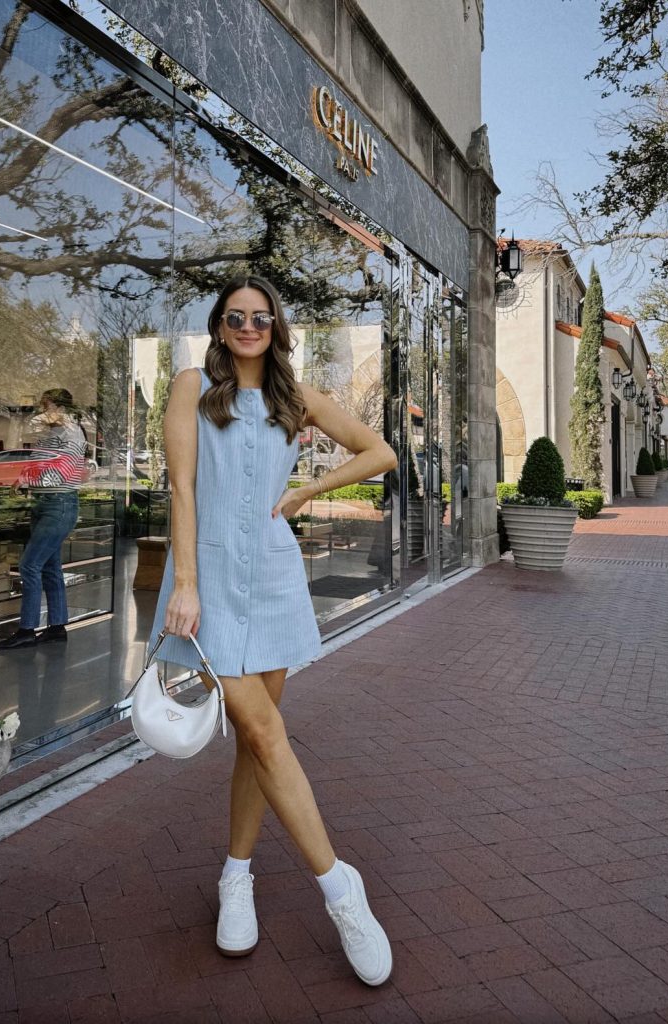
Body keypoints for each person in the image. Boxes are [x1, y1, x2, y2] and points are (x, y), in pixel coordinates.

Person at [151, 275, 397, 985]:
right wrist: (188, 585)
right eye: (236, 316)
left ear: (275, 326)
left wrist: (305, 492)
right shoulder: (191, 384)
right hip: (209, 585)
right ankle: (340, 891)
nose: (249, 326)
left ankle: (236, 876)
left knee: (258, 744)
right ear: (220, 325)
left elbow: (379, 452)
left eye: (261, 317)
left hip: (274, 577)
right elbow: (182, 487)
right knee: (260, 733)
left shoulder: (297, 398)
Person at [0, 388, 86, 650]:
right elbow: (37, 463)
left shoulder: (72, 433)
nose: (42, 412)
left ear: (60, 407)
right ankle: (57, 627)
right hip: (42, 502)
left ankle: (27, 629)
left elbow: (63, 470)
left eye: (46, 406)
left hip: (59, 503)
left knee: (30, 565)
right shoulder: (50, 434)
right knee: (49, 567)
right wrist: (23, 478)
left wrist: (27, 480)